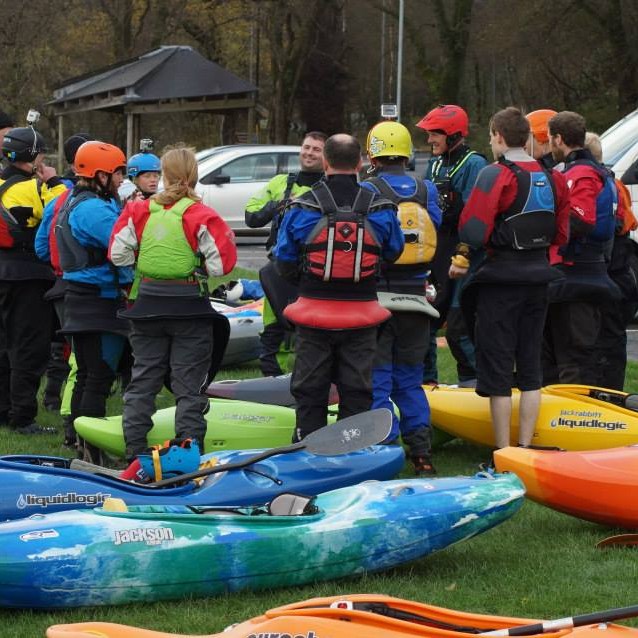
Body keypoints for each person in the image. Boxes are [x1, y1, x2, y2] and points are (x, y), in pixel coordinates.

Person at [109, 147, 237, 479]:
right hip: (189, 309)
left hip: (147, 307)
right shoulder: (202, 214)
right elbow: (223, 265)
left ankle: (134, 453)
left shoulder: (138, 210)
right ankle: (188, 453)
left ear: (163, 175)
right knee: (189, 386)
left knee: (143, 381)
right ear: (194, 175)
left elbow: (118, 256)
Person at [450, 107, 570, 449]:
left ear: (499, 137)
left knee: (497, 362)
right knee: (531, 362)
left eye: (490, 136)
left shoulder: (495, 174)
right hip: (538, 277)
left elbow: (473, 228)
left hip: (501, 278)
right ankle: (527, 446)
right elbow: (561, 233)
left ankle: (504, 450)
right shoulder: (555, 178)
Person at [273, 133, 404, 441]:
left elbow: (283, 259)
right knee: (357, 390)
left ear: (326, 162)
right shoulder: (381, 208)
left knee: (309, 390)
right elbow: (394, 252)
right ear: (359, 163)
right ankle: (353, 450)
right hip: (362, 316)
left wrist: (308, 283)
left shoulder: (302, 206)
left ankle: (307, 448)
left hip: (313, 315)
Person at [361, 120, 442, 476]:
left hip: (379, 297)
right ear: (408, 153)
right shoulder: (427, 190)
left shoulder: (368, 188)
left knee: (378, 376)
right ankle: (422, 452)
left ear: (373, 154)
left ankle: (385, 448)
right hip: (417, 299)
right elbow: (436, 229)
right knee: (409, 378)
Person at [55, 140, 133, 461]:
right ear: (99, 174)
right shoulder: (92, 209)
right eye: (117, 173)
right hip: (98, 302)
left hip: (83, 299)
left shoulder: (79, 201)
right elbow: (126, 242)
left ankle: (82, 445)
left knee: (88, 375)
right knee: (97, 377)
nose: (120, 179)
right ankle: (92, 451)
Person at [542, 111, 620, 386]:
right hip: (574, 276)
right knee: (555, 359)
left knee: (574, 359)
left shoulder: (582, 173)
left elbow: (582, 219)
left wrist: (543, 227)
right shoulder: (588, 170)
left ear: (559, 139)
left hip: (577, 277)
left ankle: (575, 418)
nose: (549, 145)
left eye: (550, 139)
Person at [0, 125, 66, 433]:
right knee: (28, 347)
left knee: (3, 345)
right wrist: (52, 179)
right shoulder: (32, 187)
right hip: (27, 275)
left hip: (2, 271)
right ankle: (22, 417)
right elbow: (65, 207)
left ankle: (3, 409)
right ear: (32, 156)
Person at [416, 105, 487, 387]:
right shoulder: (434, 164)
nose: (429, 140)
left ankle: (475, 385)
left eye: (434, 134)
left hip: (464, 256)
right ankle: (427, 385)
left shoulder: (474, 164)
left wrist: (463, 254)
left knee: (459, 330)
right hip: (435, 254)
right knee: (425, 323)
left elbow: (476, 216)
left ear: (453, 134)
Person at [245, 132, 326, 376]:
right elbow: (252, 217)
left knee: (305, 326)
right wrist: (279, 205)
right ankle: (272, 375)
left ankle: (303, 373)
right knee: (274, 323)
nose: (309, 153)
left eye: (316, 149)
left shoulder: (329, 188)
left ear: (327, 156)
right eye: (306, 147)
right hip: (280, 267)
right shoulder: (280, 183)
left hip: (314, 269)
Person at [585, 131, 638, 390]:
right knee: (612, 341)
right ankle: (612, 389)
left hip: (611, 272)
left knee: (602, 343)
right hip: (621, 272)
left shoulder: (598, 185)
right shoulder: (614, 184)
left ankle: (607, 394)